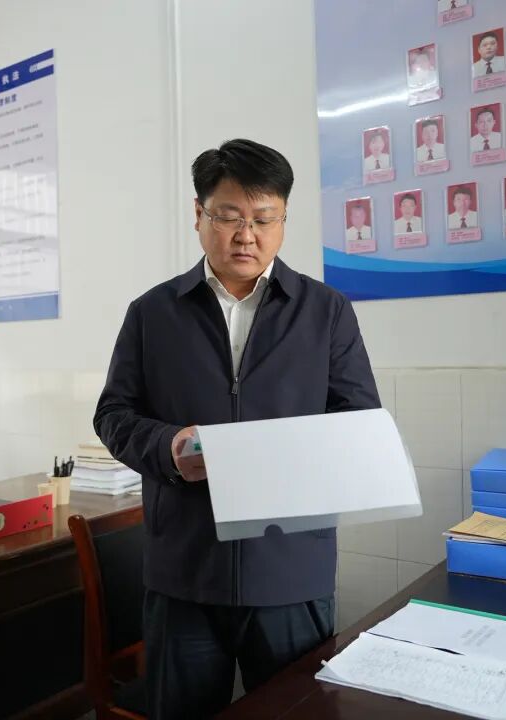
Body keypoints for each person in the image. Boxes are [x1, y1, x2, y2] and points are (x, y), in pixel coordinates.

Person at [94, 139, 379, 719]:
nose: (246, 235)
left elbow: (359, 421)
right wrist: (169, 447)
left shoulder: (325, 311)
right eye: (228, 216)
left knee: (295, 713)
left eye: (264, 219)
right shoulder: (152, 313)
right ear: (198, 215)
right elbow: (113, 414)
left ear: (283, 221)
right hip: (184, 571)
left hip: (289, 571)